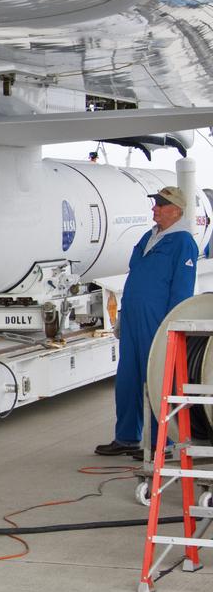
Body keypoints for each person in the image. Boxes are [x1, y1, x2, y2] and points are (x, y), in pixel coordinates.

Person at [96, 186, 199, 457]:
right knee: (128, 377)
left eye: (161, 205)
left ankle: (160, 444)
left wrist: (170, 325)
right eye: (156, 203)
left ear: (176, 210)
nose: (155, 208)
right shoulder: (149, 236)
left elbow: (182, 290)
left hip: (157, 321)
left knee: (157, 381)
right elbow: (135, 276)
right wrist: (121, 316)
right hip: (132, 318)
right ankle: (127, 437)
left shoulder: (183, 242)